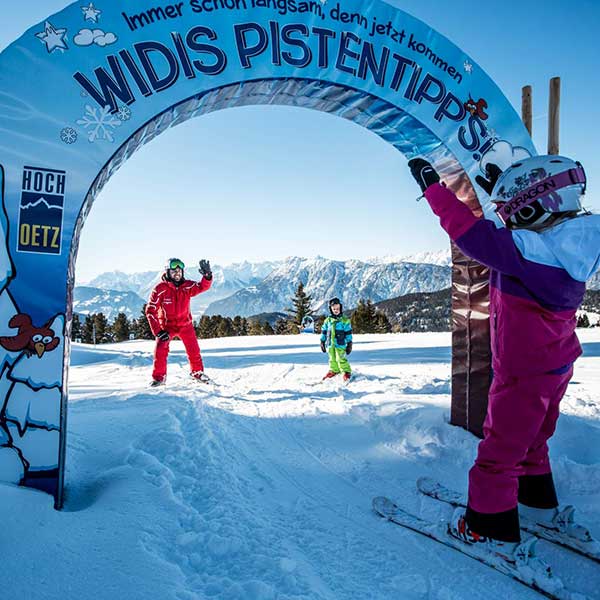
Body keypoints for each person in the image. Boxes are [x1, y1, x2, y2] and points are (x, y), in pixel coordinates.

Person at [408, 155, 600, 563]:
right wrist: (509, 192)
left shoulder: (525, 250)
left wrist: (434, 191)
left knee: (500, 451)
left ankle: (488, 529)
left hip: (522, 371)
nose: (506, 216)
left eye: (511, 207)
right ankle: (536, 505)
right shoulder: (576, 240)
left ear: (531, 206)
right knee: (533, 439)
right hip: (556, 366)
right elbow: (523, 225)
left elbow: (469, 234)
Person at [146, 258, 213, 386]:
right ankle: (159, 378)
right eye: (174, 271)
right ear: (167, 272)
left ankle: (197, 373)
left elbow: (202, 287)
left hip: (185, 325)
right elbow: (150, 310)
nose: (177, 273)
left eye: (179, 271)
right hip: (167, 326)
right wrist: (158, 331)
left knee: (194, 350)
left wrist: (207, 276)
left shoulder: (187, 286)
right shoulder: (160, 289)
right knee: (160, 350)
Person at [320, 297, 353, 382]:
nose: (336, 310)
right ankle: (334, 370)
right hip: (330, 344)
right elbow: (324, 331)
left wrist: (349, 343)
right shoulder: (328, 321)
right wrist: (322, 341)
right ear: (331, 309)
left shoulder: (344, 320)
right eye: (334, 309)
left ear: (340, 308)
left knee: (340, 358)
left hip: (340, 343)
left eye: (337, 308)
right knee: (332, 358)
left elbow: (348, 332)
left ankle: (346, 371)